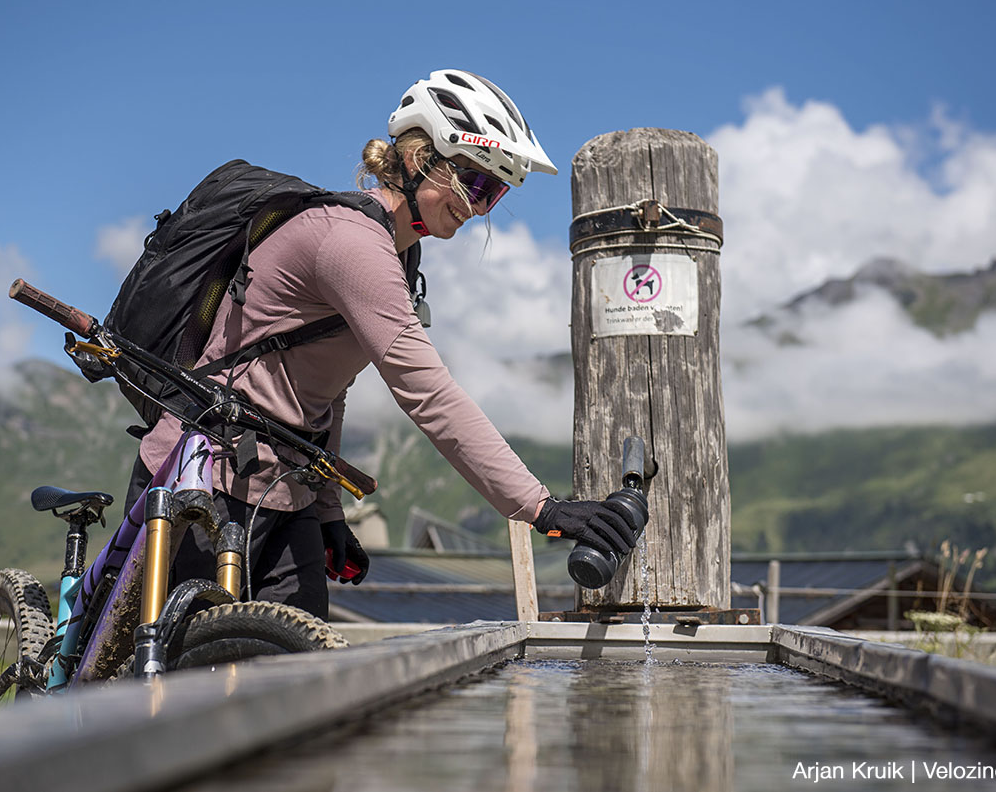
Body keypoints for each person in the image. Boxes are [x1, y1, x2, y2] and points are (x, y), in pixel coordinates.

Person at [125, 69, 636, 620]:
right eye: (474, 184)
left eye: (494, 194)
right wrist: (543, 508)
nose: (477, 208)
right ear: (421, 161)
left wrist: (327, 513)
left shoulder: (399, 255)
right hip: (202, 471)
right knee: (170, 685)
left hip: (283, 489)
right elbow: (427, 392)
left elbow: (325, 388)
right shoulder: (351, 242)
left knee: (297, 685)